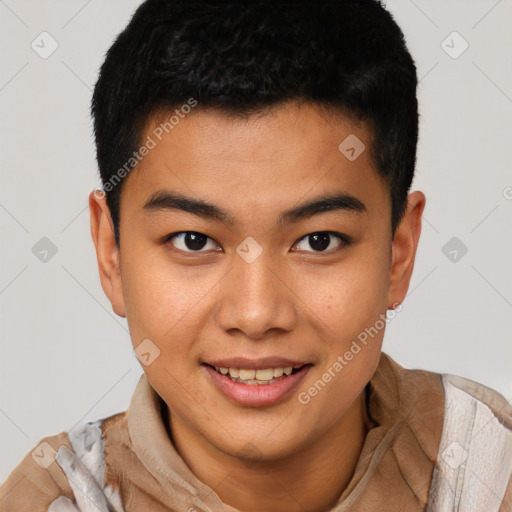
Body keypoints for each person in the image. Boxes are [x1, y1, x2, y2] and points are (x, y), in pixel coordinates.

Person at [1, 1, 511, 511]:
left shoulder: (486, 471)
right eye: (193, 241)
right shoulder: (53, 499)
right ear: (111, 252)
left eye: (319, 241)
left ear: (399, 253)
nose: (256, 313)